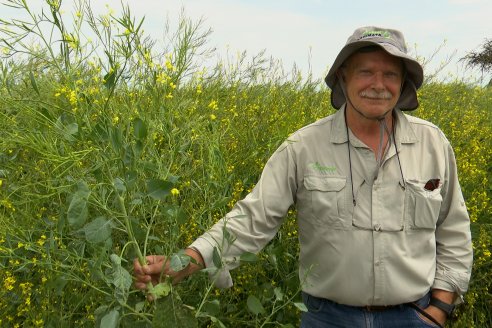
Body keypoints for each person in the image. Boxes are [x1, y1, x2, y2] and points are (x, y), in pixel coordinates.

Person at [134, 26, 473, 327]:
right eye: (365, 72)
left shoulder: (432, 143)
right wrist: (186, 261)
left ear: (403, 83)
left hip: (413, 316)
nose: (378, 85)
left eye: (390, 75)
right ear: (343, 77)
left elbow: (454, 230)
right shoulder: (303, 147)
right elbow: (254, 218)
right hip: (328, 317)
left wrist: (440, 308)